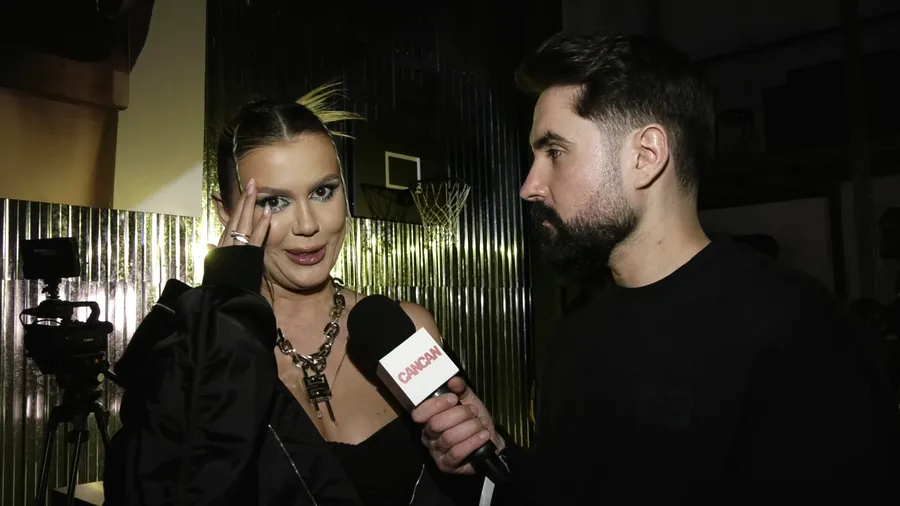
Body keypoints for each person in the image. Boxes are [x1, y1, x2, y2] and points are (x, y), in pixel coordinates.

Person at [411, 32, 900, 504]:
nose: (529, 186)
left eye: (554, 152)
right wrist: (497, 456)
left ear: (646, 156)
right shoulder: (579, 325)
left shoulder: (797, 329)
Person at [105, 85, 482, 505]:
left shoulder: (405, 328)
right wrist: (224, 315)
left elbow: (473, 477)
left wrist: (469, 462)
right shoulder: (187, 349)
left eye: (323, 192)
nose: (307, 225)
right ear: (226, 213)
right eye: (273, 202)